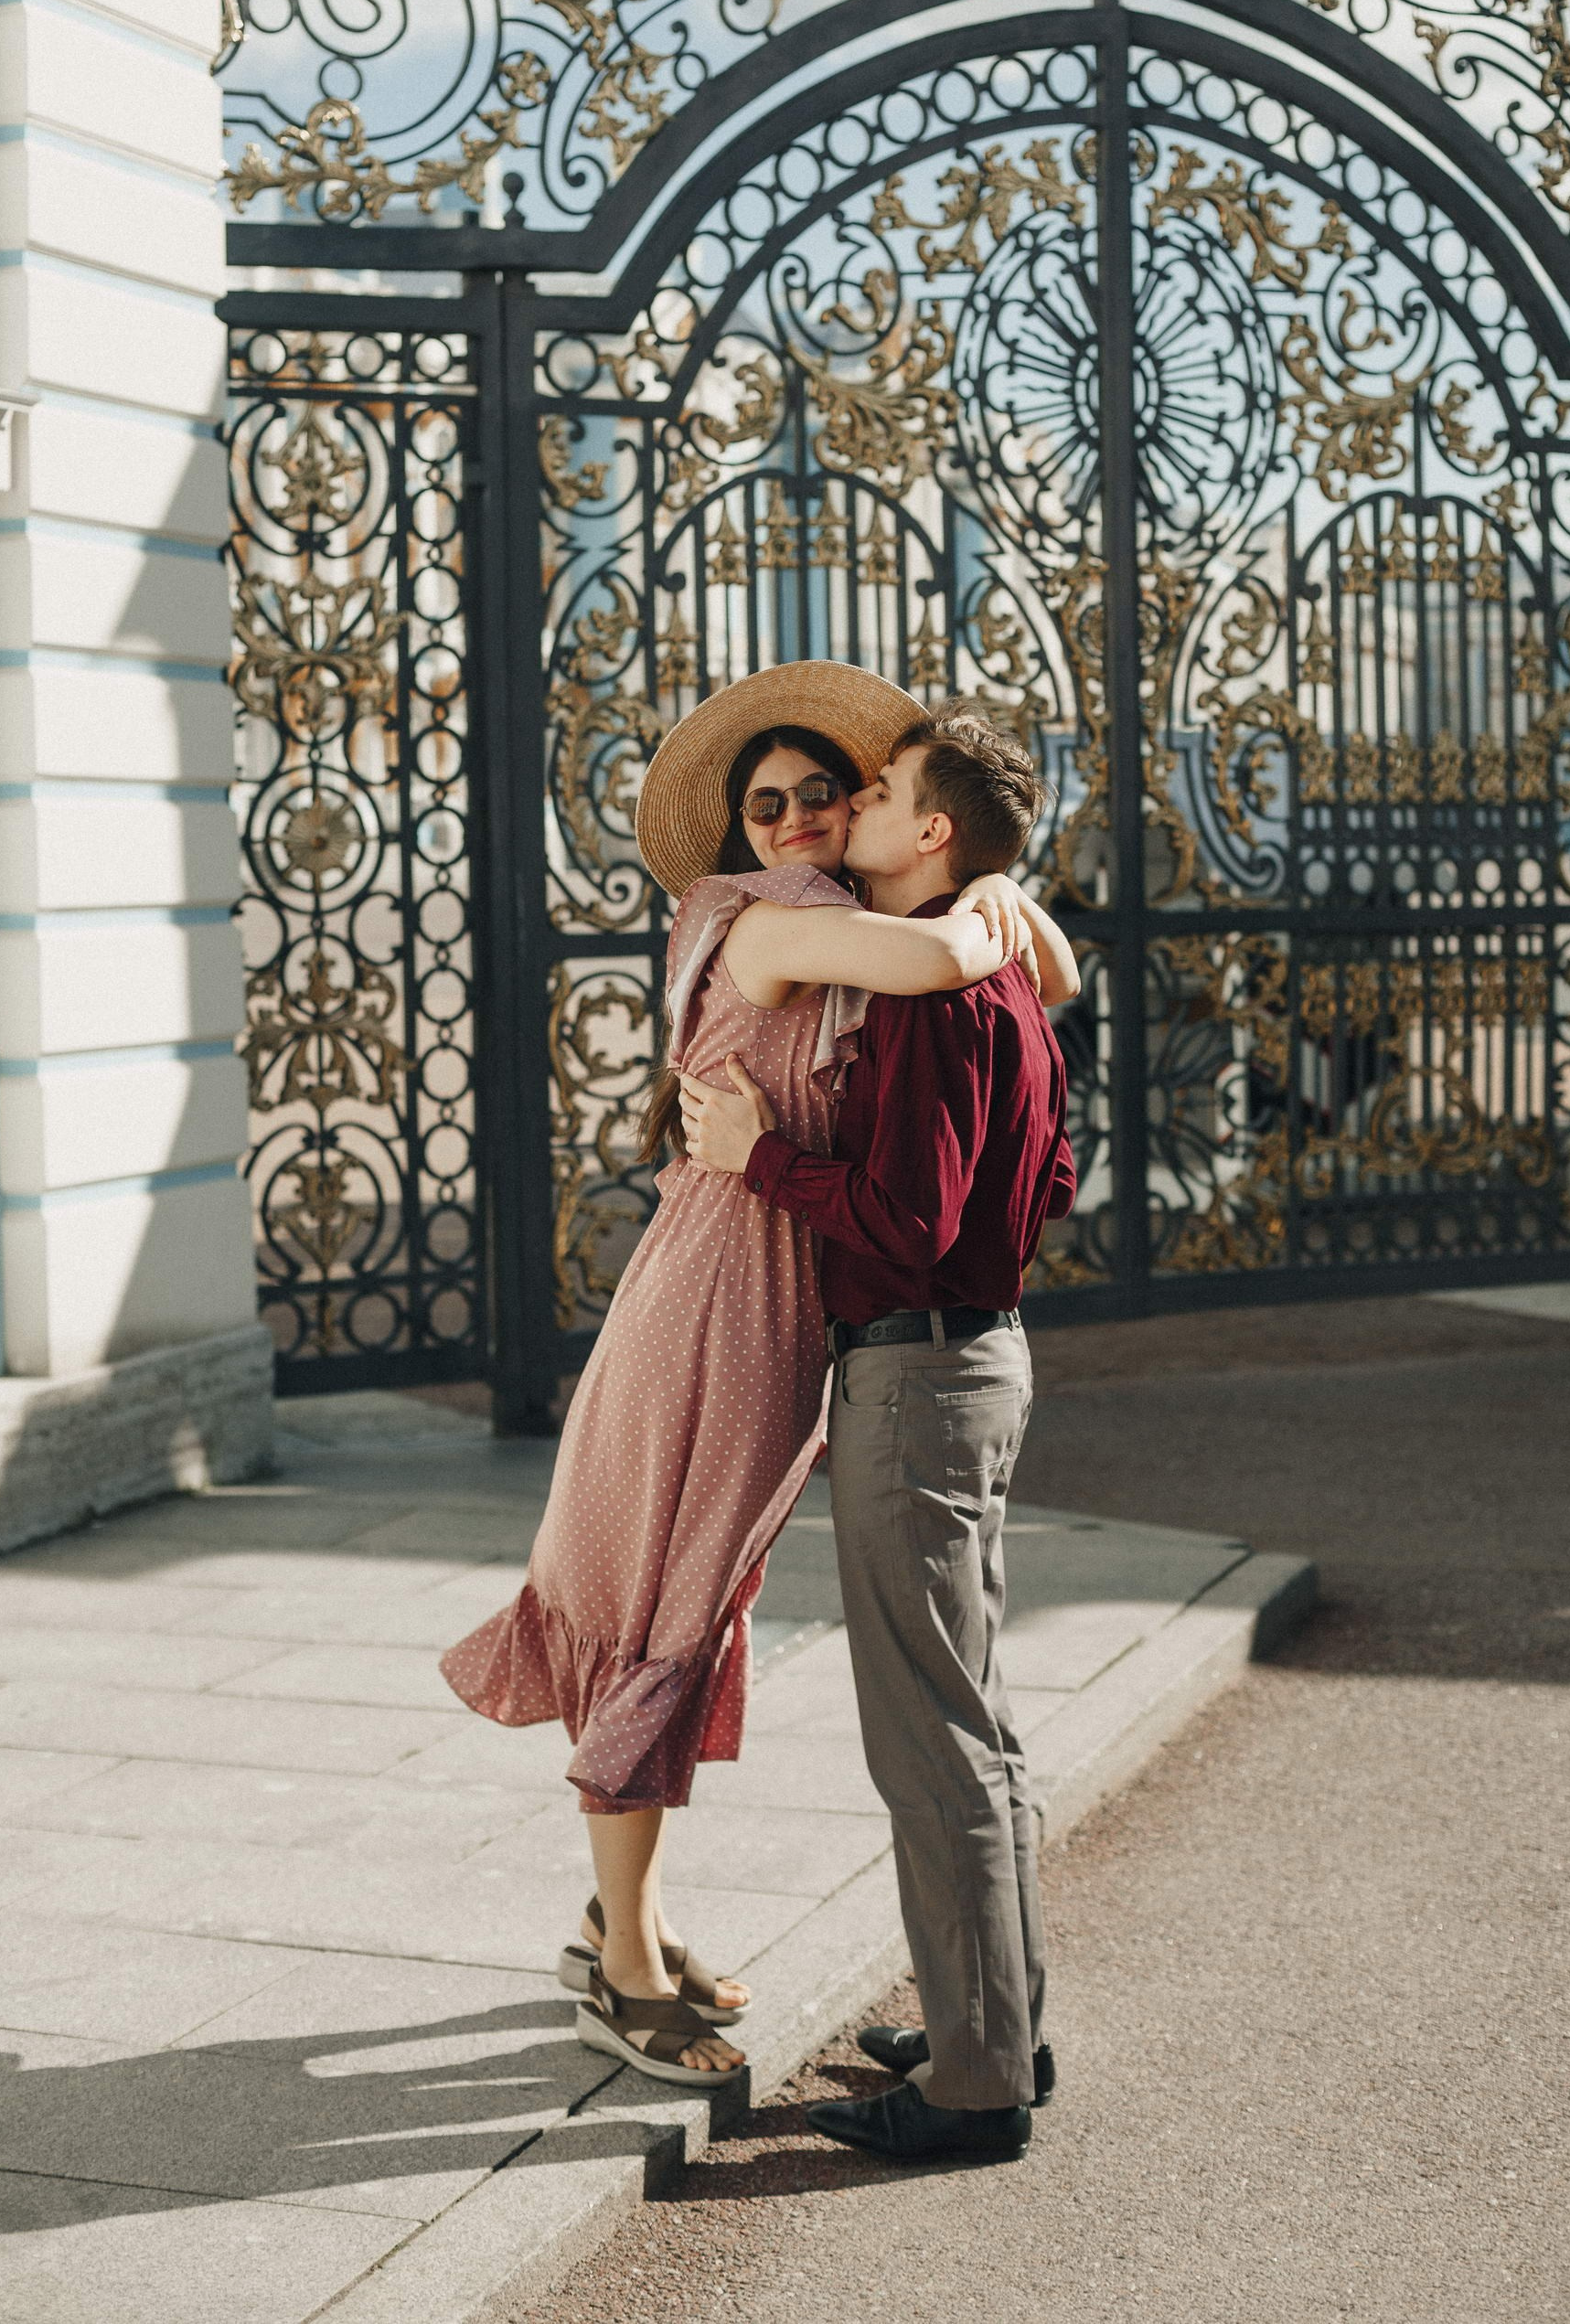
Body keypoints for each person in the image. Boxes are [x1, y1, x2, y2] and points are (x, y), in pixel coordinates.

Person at [438, 663, 1077, 2090]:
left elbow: (1048, 977)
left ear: (869, 809)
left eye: (823, 795)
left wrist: (986, 897)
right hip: (729, 1285)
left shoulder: (843, 915)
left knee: (697, 1589)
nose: (795, 818)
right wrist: (985, 902)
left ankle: (633, 1917)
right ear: (741, 832)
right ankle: (622, 1963)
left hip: (784, 1284)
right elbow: (955, 967)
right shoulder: (785, 916)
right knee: (663, 1590)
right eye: (766, 803)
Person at [682, 701, 1075, 2166]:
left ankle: (977, 2090)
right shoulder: (1003, 977)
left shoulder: (936, 998)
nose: (842, 814)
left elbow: (907, 1220)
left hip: (915, 1376)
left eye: (879, 792)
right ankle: (998, 2019)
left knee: (933, 1745)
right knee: (970, 1724)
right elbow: (1054, 1173)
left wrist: (760, 1158)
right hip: (977, 1361)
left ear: (934, 832)